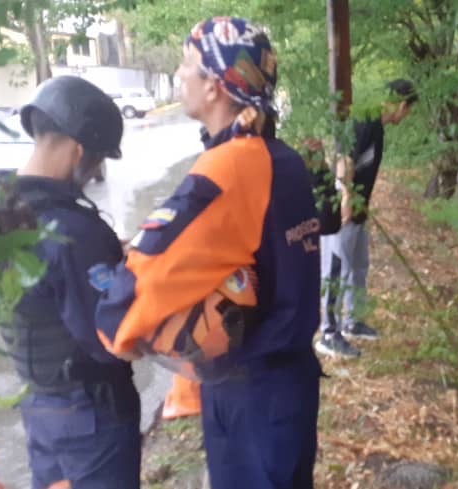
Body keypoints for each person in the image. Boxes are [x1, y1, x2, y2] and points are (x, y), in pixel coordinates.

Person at [95, 16, 323, 489]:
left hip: (251, 394)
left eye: (187, 64)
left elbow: (153, 266)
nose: (179, 74)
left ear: (216, 85)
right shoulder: (281, 158)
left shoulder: (232, 165)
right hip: (288, 385)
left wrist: (113, 325)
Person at [0, 76, 141, 489]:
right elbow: (111, 337)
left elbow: (40, 293)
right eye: (97, 159)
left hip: (40, 406)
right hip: (91, 418)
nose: (94, 171)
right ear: (77, 150)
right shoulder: (74, 230)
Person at [315, 79, 418, 359]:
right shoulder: (364, 122)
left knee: (358, 265)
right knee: (336, 269)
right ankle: (329, 333)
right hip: (343, 211)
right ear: (401, 104)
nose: (406, 115)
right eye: (408, 109)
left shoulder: (377, 127)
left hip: (359, 210)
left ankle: (353, 321)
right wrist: (345, 199)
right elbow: (343, 159)